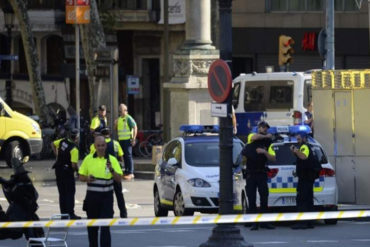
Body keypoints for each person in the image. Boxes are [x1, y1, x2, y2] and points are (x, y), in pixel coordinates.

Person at [79, 135, 123, 247]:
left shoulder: (112, 160)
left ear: (106, 145)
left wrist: (112, 170)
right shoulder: (88, 159)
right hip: (92, 199)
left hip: (106, 199)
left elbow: (119, 179)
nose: (101, 148)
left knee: (105, 227)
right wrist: (87, 178)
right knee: (92, 228)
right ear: (94, 146)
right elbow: (81, 176)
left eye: (103, 145)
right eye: (98, 145)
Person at [241, 121, 276, 230]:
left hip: (261, 173)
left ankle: (264, 222)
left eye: (266, 128)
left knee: (264, 197)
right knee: (251, 198)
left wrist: (264, 152)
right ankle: (253, 222)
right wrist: (267, 136)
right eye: (263, 127)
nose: (265, 129)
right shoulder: (252, 135)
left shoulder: (268, 143)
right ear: (259, 128)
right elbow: (255, 138)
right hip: (251, 174)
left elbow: (273, 158)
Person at [89, 128, 128, 218]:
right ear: (110, 134)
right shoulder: (115, 143)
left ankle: (109, 212)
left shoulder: (95, 145)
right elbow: (121, 157)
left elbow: (92, 157)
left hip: (102, 173)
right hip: (114, 171)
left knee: (105, 195)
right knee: (119, 194)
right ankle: (123, 213)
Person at [51, 129, 81, 220]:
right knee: (70, 193)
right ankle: (71, 213)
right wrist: (78, 172)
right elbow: (74, 164)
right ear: (76, 138)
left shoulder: (62, 141)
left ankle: (63, 214)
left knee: (62, 193)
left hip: (58, 170)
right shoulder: (74, 149)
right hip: (67, 172)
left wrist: (57, 155)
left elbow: (52, 144)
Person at [290, 132, 315, 229]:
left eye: (299, 139)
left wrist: (295, 151)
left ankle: (302, 223)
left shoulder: (304, 147)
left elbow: (303, 156)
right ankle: (309, 222)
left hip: (305, 179)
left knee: (302, 200)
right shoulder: (307, 146)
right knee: (308, 200)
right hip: (307, 178)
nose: (298, 141)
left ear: (304, 139)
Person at [114, 103, 137, 180]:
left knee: (128, 156)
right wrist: (115, 124)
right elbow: (116, 129)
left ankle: (131, 172)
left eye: (121, 111)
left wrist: (133, 138)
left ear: (125, 110)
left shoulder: (128, 118)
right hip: (121, 141)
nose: (120, 112)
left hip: (127, 140)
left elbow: (135, 127)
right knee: (124, 156)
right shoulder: (119, 119)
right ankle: (127, 171)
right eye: (119, 111)